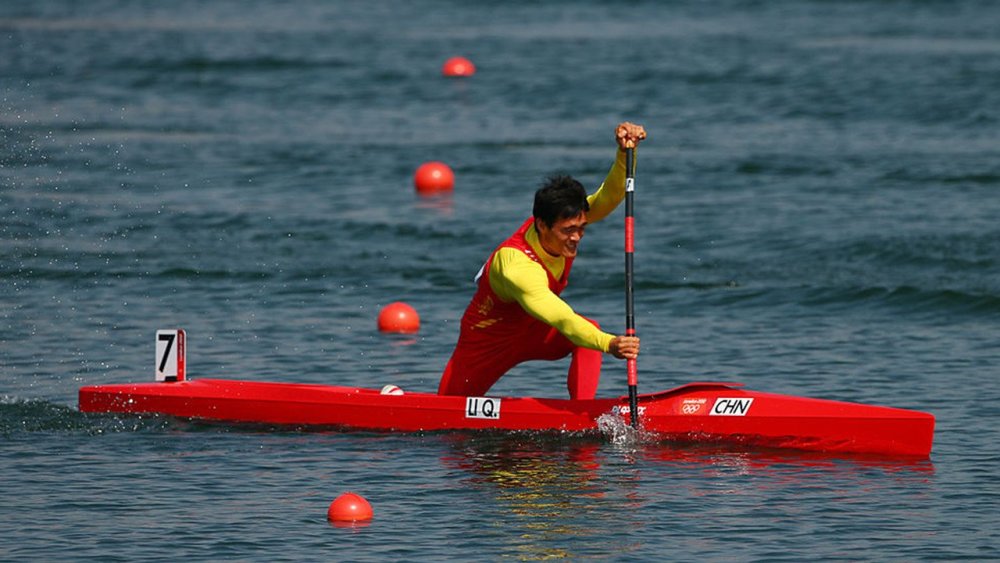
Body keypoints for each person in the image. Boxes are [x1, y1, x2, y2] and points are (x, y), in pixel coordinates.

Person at [438, 122, 646, 400]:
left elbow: (608, 197)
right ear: (542, 225)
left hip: (534, 332)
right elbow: (561, 317)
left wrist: (625, 154)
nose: (576, 237)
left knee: (588, 334)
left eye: (581, 228)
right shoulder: (516, 266)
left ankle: (581, 412)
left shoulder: (560, 220)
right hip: (487, 342)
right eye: (568, 231)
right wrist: (610, 344)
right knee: (445, 412)